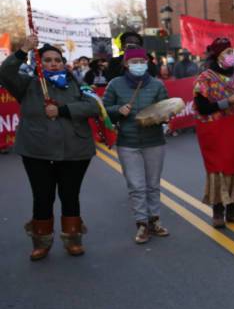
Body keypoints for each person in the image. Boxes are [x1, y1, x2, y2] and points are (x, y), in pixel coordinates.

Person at [0, 35, 100, 260]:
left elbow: (93, 105)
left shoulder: (77, 83)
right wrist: (22, 51)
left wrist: (62, 110)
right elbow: (4, 74)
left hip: (75, 150)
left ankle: (73, 239)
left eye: (57, 59)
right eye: (47, 60)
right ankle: (41, 242)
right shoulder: (27, 84)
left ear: (64, 63)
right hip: (37, 150)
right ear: (38, 62)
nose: (53, 63)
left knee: (70, 195)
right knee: (43, 197)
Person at [103, 48, 170, 244]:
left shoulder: (157, 85)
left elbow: (166, 107)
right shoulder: (115, 84)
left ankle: (155, 220)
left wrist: (164, 116)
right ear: (126, 64)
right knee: (136, 186)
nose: (139, 64)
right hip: (128, 142)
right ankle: (141, 224)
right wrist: (118, 110)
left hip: (154, 141)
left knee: (153, 185)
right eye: (134, 61)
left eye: (142, 61)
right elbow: (104, 111)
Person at [193, 38, 234, 228]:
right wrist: (229, 102)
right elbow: (202, 107)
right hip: (215, 129)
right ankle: (218, 211)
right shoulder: (205, 78)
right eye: (226, 52)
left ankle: (233, 210)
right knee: (218, 170)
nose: (230, 56)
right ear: (217, 56)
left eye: (231, 52)